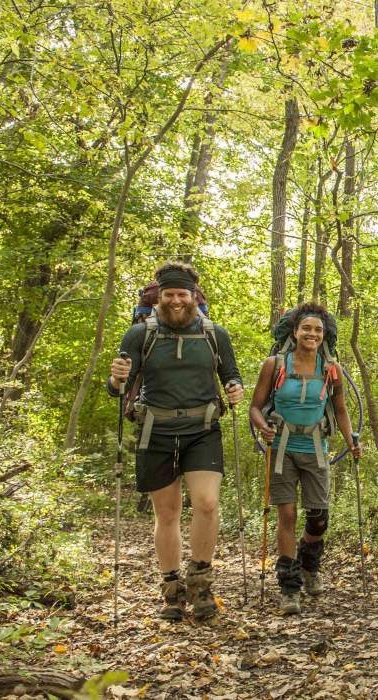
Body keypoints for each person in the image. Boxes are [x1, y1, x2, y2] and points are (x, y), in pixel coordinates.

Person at [108, 261, 243, 621]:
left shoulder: (216, 334)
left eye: (183, 294)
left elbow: (231, 375)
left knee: (207, 503)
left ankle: (200, 584)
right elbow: (119, 388)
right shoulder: (139, 335)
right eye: (170, 294)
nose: (177, 300)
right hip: (156, 430)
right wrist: (115, 378)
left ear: (194, 297)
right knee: (167, 513)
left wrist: (235, 389)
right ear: (160, 297)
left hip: (203, 430)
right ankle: (171, 590)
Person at [249, 302, 361, 614]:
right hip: (282, 449)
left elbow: (340, 410)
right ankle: (289, 587)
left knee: (318, 519)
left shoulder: (331, 369)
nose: (312, 333)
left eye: (318, 330)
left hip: (316, 450)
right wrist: (263, 428)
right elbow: (255, 407)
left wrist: (352, 441)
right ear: (295, 331)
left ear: (323, 336)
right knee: (286, 515)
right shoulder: (274, 364)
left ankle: (310, 566)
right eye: (306, 328)